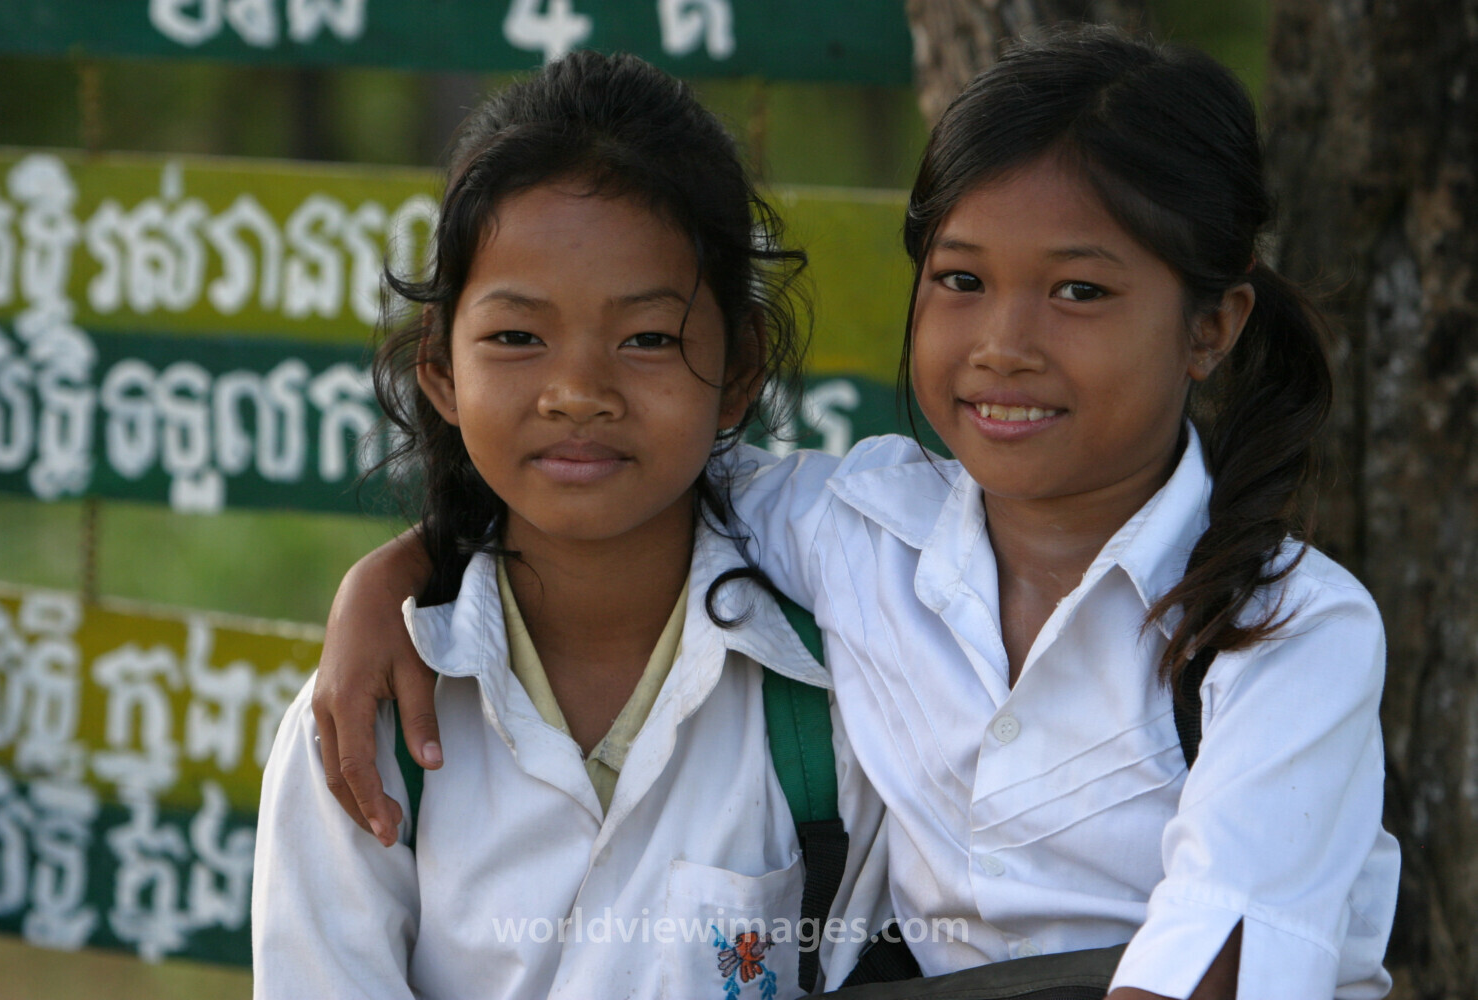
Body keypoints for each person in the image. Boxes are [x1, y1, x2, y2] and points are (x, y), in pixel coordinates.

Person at [308, 28, 1400, 1000]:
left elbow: (1217, 956)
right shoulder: (861, 527)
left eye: (1079, 292)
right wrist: (393, 582)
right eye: (963, 279)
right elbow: (596, 482)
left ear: (1213, 325)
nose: (1003, 342)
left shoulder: (1290, 634)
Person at [251, 50, 889, 1000]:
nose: (579, 394)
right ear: (441, 369)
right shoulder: (365, 733)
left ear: (741, 367)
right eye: (516, 337)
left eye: (647, 339)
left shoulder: (841, 702)